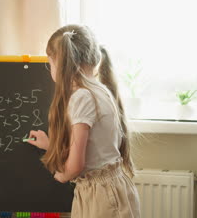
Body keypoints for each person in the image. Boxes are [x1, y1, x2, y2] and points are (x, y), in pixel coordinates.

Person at [27, 24, 141, 217]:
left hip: (100, 196)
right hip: (110, 187)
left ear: (61, 64)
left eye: (50, 64)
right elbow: (93, 150)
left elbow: (76, 166)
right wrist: (50, 145)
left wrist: (61, 175)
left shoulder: (81, 97)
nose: (50, 70)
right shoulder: (99, 89)